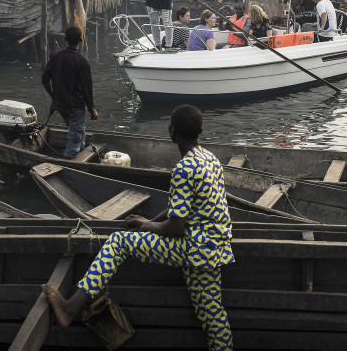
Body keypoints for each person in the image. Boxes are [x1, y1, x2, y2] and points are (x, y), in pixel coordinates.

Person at [41, 105, 234, 350]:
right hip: (216, 247)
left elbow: (175, 227)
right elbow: (180, 207)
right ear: (200, 132)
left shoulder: (184, 169)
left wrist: (150, 227)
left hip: (193, 247)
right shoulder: (211, 159)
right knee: (212, 314)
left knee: (118, 242)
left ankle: (70, 308)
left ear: (172, 132)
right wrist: (147, 222)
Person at [41, 25, 98, 159]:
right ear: (81, 40)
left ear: (65, 39)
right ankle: (70, 166)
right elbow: (86, 90)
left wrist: (53, 96)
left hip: (60, 106)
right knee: (74, 141)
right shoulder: (82, 61)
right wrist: (93, 111)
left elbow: (45, 79)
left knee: (78, 133)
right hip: (75, 107)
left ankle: (82, 155)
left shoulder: (56, 55)